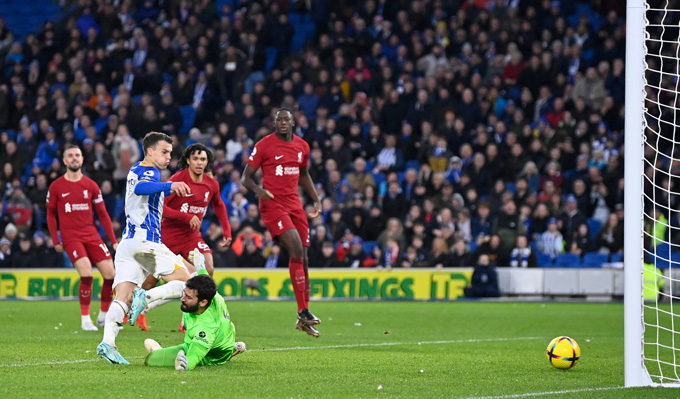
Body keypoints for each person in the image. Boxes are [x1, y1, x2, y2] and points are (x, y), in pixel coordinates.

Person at [97, 132, 193, 364]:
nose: (169, 156)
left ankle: (107, 343)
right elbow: (142, 189)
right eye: (164, 151)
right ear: (149, 151)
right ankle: (147, 297)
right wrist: (170, 185)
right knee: (186, 280)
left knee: (123, 298)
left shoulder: (136, 169)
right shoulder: (150, 171)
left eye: (170, 152)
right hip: (146, 242)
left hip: (128, 244)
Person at [241, 108, 323, 337]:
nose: (283, 123)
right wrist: (260, 192)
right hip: (273, 206)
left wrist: (316, 199)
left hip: (295, 205)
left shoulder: (302, 146)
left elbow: (304, 174)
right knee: (295, 249)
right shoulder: (264, 145)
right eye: (279, 120)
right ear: (275, 123)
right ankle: (303, 310)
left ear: (293, 122)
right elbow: (245, 177)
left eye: (287, 119)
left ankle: (303, 318)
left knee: (304, 258)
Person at [139, 143, 233, 331]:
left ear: (207, 162)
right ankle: (136, 309)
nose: (199, 163)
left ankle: (188, 320)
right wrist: (186, 216)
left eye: (203, 159)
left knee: (207, 269)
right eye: (196, 159)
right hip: (168, 236)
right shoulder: (178, 181)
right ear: (188, 160)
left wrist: (227, 231)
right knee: (150, 281)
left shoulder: (210, 183)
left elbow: (219, 204)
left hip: (191, 237)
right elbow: (160, 208)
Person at [46, 144, 119, 331]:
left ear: (82, 159)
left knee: (111, 275)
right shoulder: (56, 186)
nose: (74, 158)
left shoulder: (91, 185)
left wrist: (113, 240)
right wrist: (56, 239)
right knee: (86, 274)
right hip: (71, 237)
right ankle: (86, 320)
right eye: (70, 155)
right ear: (64, 160)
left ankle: (103, 316)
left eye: (77, 155)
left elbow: (103, 214)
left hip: (92, 235)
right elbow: (50, 214)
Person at [144, 250, 246, 370]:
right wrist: (199, 264)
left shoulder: (205, 328)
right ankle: (233, 347)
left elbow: (193, 357)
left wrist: (184, 365)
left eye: (188, 297)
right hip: (225, 338)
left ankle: (229, 351)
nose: (182, 299)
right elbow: (204, 275)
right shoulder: (211, 294)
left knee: (151, 360)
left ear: (203, 302)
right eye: (184, 294)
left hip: (213, 354)